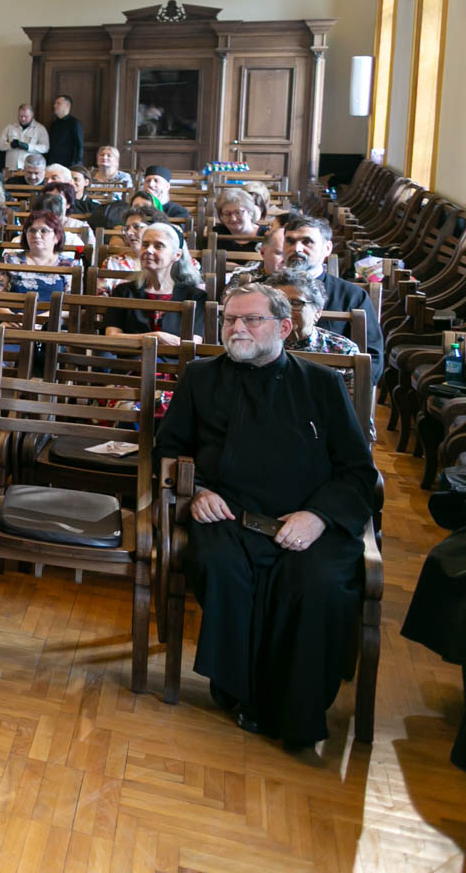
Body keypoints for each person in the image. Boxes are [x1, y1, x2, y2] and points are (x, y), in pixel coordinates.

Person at [155, 282, 375, 748]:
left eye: (252, 319)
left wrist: (317, 517)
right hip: (228, 515)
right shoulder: (201, 377)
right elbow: (169, 450)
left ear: (285, 326)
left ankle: (295, 710)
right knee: (219, 566)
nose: (238, 329)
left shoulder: (321, 383)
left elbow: (358, 472)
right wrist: (198, 492)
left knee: (318, 585)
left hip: (308, 520)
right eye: (231, 320)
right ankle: (239, 691)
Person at [280, 214, 381, 375]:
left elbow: (372, 357)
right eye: (290, 241)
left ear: (327, 248)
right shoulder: (262, 289)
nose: (297, 249)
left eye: (307, 242)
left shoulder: (352, 296)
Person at [104, 222, 206, 341]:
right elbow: (111, 337)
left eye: (158, 246)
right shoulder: (123, 291)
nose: (149, 250)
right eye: (145, 245)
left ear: (177, 255)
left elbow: (194, 342)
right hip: (131, 357)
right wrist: (155, 337)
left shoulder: (195, 296)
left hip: (176, 359)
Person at [267, 268, 361, 360]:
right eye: (278, 303)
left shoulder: (344, 351)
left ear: (317, 312)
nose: (285, 310)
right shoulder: (258, 345)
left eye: (296, 304)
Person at [0, 210, 79, 304]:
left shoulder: (70, 265)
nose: (37, 235)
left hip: (53, 317)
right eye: (32, 230)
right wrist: (13, 317)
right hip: (11, 317)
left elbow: (71, 306)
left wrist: (41, 318)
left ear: (57, 236)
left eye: (44, 231)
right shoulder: (10, 260)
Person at [227, 222, 287, 292]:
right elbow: (227, 298)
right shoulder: (246, 274)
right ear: (262, 252)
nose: (286, 260)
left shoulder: (300, 277)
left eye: (291, 254)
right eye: (280, 253)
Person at [0, 103, 49, 171]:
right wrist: (10, 145)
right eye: (20, 116)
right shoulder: (10, 127)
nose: (23, 119)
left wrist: (28, 146)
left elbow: (45, 148)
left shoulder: (40, 129)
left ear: (32, 115)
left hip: (31, 169)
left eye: (26, 116)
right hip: (11, 168)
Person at [48, 94, 83, 169]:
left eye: (58, 103)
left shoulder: (74, 123)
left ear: (67, 105)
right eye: (55, 103)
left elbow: (79, 145)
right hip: (52, 162)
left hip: (68, 164)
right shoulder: (54, 123)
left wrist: (77, 164)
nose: (54, 106)